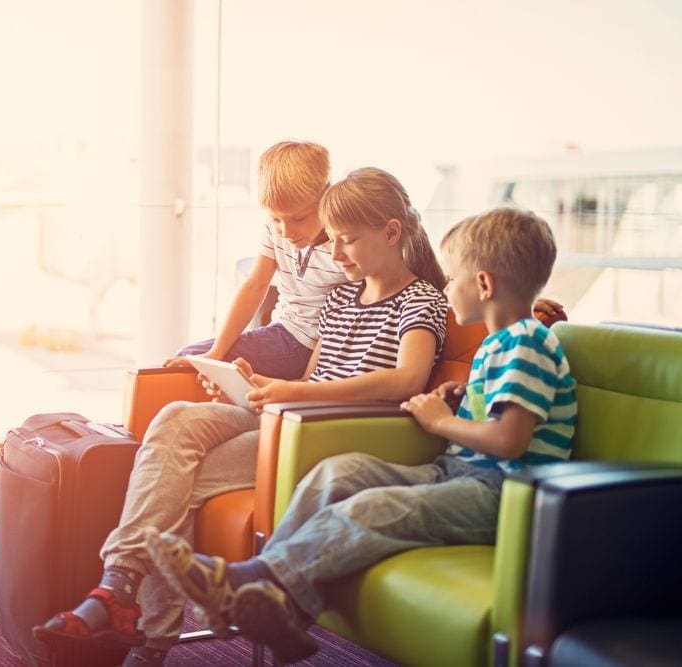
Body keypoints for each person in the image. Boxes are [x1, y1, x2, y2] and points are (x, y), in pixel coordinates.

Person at [32, 167, 450, 666]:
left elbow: (406, 380)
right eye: (333, 241)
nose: (336, 255)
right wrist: (250, 386)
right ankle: (118, 585)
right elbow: (314, 377)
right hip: (290, 415)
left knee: (178, 479)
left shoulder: (421, 300)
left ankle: (142, 632)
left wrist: (293, 393)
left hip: (321, 435)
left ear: (391, 232)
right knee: (176, 418)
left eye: (347, 242)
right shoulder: (341, 297)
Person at [145, 206, 578, 664]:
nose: (447, 287)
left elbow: (510, 440)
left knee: (377, 507)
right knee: (338, 472)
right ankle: (281, 611)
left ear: (485, 285)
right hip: (460, 473)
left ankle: (255, 581)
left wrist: (438, 421)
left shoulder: (529, 343)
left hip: (504, 496)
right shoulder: (500, 343)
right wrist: (460, 394)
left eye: (453, 278)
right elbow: (499, 408)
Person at [166, 140, 347, 380]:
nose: (285, 230)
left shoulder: (345, 245)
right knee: (191, 360)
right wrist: (217, 351)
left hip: (314, 346)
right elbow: (255, 285)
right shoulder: (276, 230)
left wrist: (306, 381)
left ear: (326, 198)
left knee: (191, 365)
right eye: (275, 219)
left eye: (299, 218)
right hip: (281, 331)